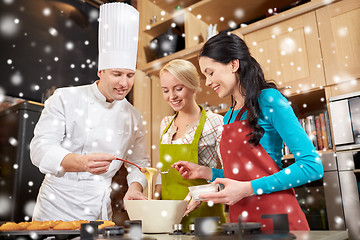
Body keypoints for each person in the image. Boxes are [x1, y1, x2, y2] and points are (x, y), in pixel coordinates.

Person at [172, 32, 324, 230]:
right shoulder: (229, 116)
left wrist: (248, 189)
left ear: (233, 65)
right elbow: (243, 175)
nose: (207, 82)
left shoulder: (269, 100)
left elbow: (312, 166)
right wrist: (205, 172)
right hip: (243, 224)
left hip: (278, 221)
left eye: (210, 72)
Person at [30, 2, 150, 221]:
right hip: (56, 206)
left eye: (129, 75)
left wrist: (135, 189)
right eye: (117, 74)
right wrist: (82, 163)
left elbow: (140, 164)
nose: (124, 83)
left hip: (99, 209)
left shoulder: (134, 116)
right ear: (101, 71)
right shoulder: (65, 98)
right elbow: (39, 149)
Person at [157, 59, 225, 230]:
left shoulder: (215, 123)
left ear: (193, 86)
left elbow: (230, 176)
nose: (171, 96)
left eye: (178, 89)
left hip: (205, 217)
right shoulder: (166, 124)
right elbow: (163, 173)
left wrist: (202, 194)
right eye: (165, 90)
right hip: (171, 217)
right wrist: (154, 199)